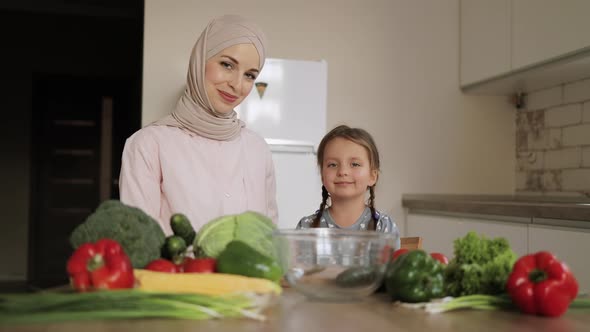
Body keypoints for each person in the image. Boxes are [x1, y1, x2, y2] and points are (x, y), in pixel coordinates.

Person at [119, 15, 278, 235]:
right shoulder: (148, 144)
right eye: (227, 64)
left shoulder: (257, 148)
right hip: (180, 271)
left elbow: (270, 235)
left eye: (250, 75)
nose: (237, 84)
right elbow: (140, 240)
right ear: (200, 60)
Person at [296, 125, 400, 237]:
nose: (343, 171)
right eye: (332, 164)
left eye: (355, 164)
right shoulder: (306, 228)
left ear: (372, 176)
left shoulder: (384, 227)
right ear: (322, 176)